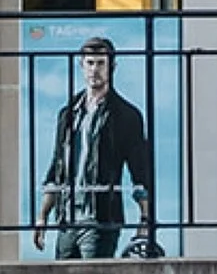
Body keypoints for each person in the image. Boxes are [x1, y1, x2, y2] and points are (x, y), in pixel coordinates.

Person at [34, 38, 152, 259]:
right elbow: (56, 166)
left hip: (102, 217)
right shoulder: (69, 113)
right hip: (67, 217)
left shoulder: (125, 115)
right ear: (81, 66)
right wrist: (42, 216)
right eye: (89, 63)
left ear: (112, 67)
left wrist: (145, 219)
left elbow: (140, 171)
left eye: (100, 63)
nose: (94, 70)